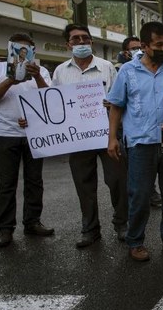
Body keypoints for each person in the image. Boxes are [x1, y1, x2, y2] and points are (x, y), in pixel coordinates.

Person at [107, 21, 163, 262]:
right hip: (140, 141)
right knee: (140, 194)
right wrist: (112, 138)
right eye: (159, 44)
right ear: (144, 46)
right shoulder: (127, 71)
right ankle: (136, 241)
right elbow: (116, 105)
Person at [52, 24, 128, 248]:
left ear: (92, 42)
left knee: (117, 181)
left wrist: (112, 104)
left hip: (108, 134)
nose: (82, 42)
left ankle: (122, 224)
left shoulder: (107, 68)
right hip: (78, 139)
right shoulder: (60, 72)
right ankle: (90, 229)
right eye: (76, 39)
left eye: (86, 38)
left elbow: (120, 101)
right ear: (68, 44)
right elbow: (55, 105)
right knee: (84, 185)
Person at [0, 33, 54, 247]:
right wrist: (13, 77)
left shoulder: (42, 71)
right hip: (7, 134)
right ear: (10, 50)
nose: (23, 52)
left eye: (27, 49)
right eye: (18, 48)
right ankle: (5, 229)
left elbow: (50, 100)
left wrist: (38, 76)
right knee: (6, 183)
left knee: (34, 181)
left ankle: (32, 222)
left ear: (33, 51)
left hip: (34, 134)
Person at [116, 36, 162, 208]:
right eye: (134, 48)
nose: (138, 51)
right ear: (126, 52)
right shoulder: (121, 70)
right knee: (134, 170)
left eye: (139, 47)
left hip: (155, 132)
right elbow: (115, 99)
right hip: (129, 131)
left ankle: (151, 191)